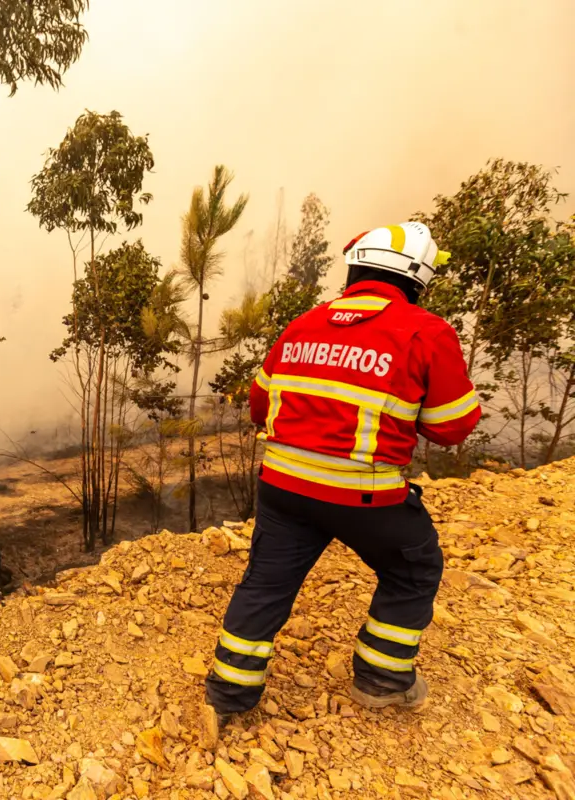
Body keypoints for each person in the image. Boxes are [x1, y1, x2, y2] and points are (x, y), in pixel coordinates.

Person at [205, 222, 481, 721]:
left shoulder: (302, 325)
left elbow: (257, 404)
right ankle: (382, 680)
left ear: (353, 269)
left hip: (283, 489)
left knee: (265, 585)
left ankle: (227, 696)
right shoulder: (427, 331)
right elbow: (451, 427)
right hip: (365, 497)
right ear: (418, 281)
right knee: (413, 570)